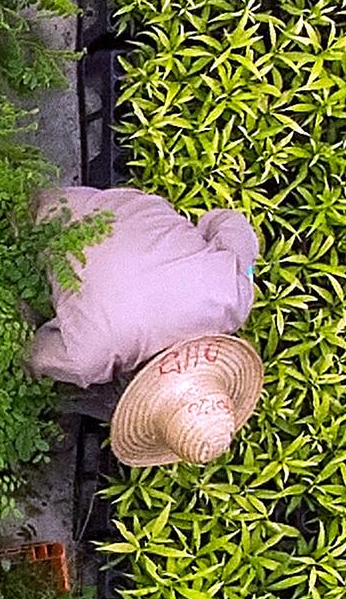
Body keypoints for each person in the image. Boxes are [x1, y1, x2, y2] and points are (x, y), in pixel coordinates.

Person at [32, 185, 269, 469]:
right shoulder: (87, 356)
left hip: (117, 198)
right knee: (69, 383)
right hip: (42, 223)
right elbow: (31, 355)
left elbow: (232, 223)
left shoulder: (234, 296)